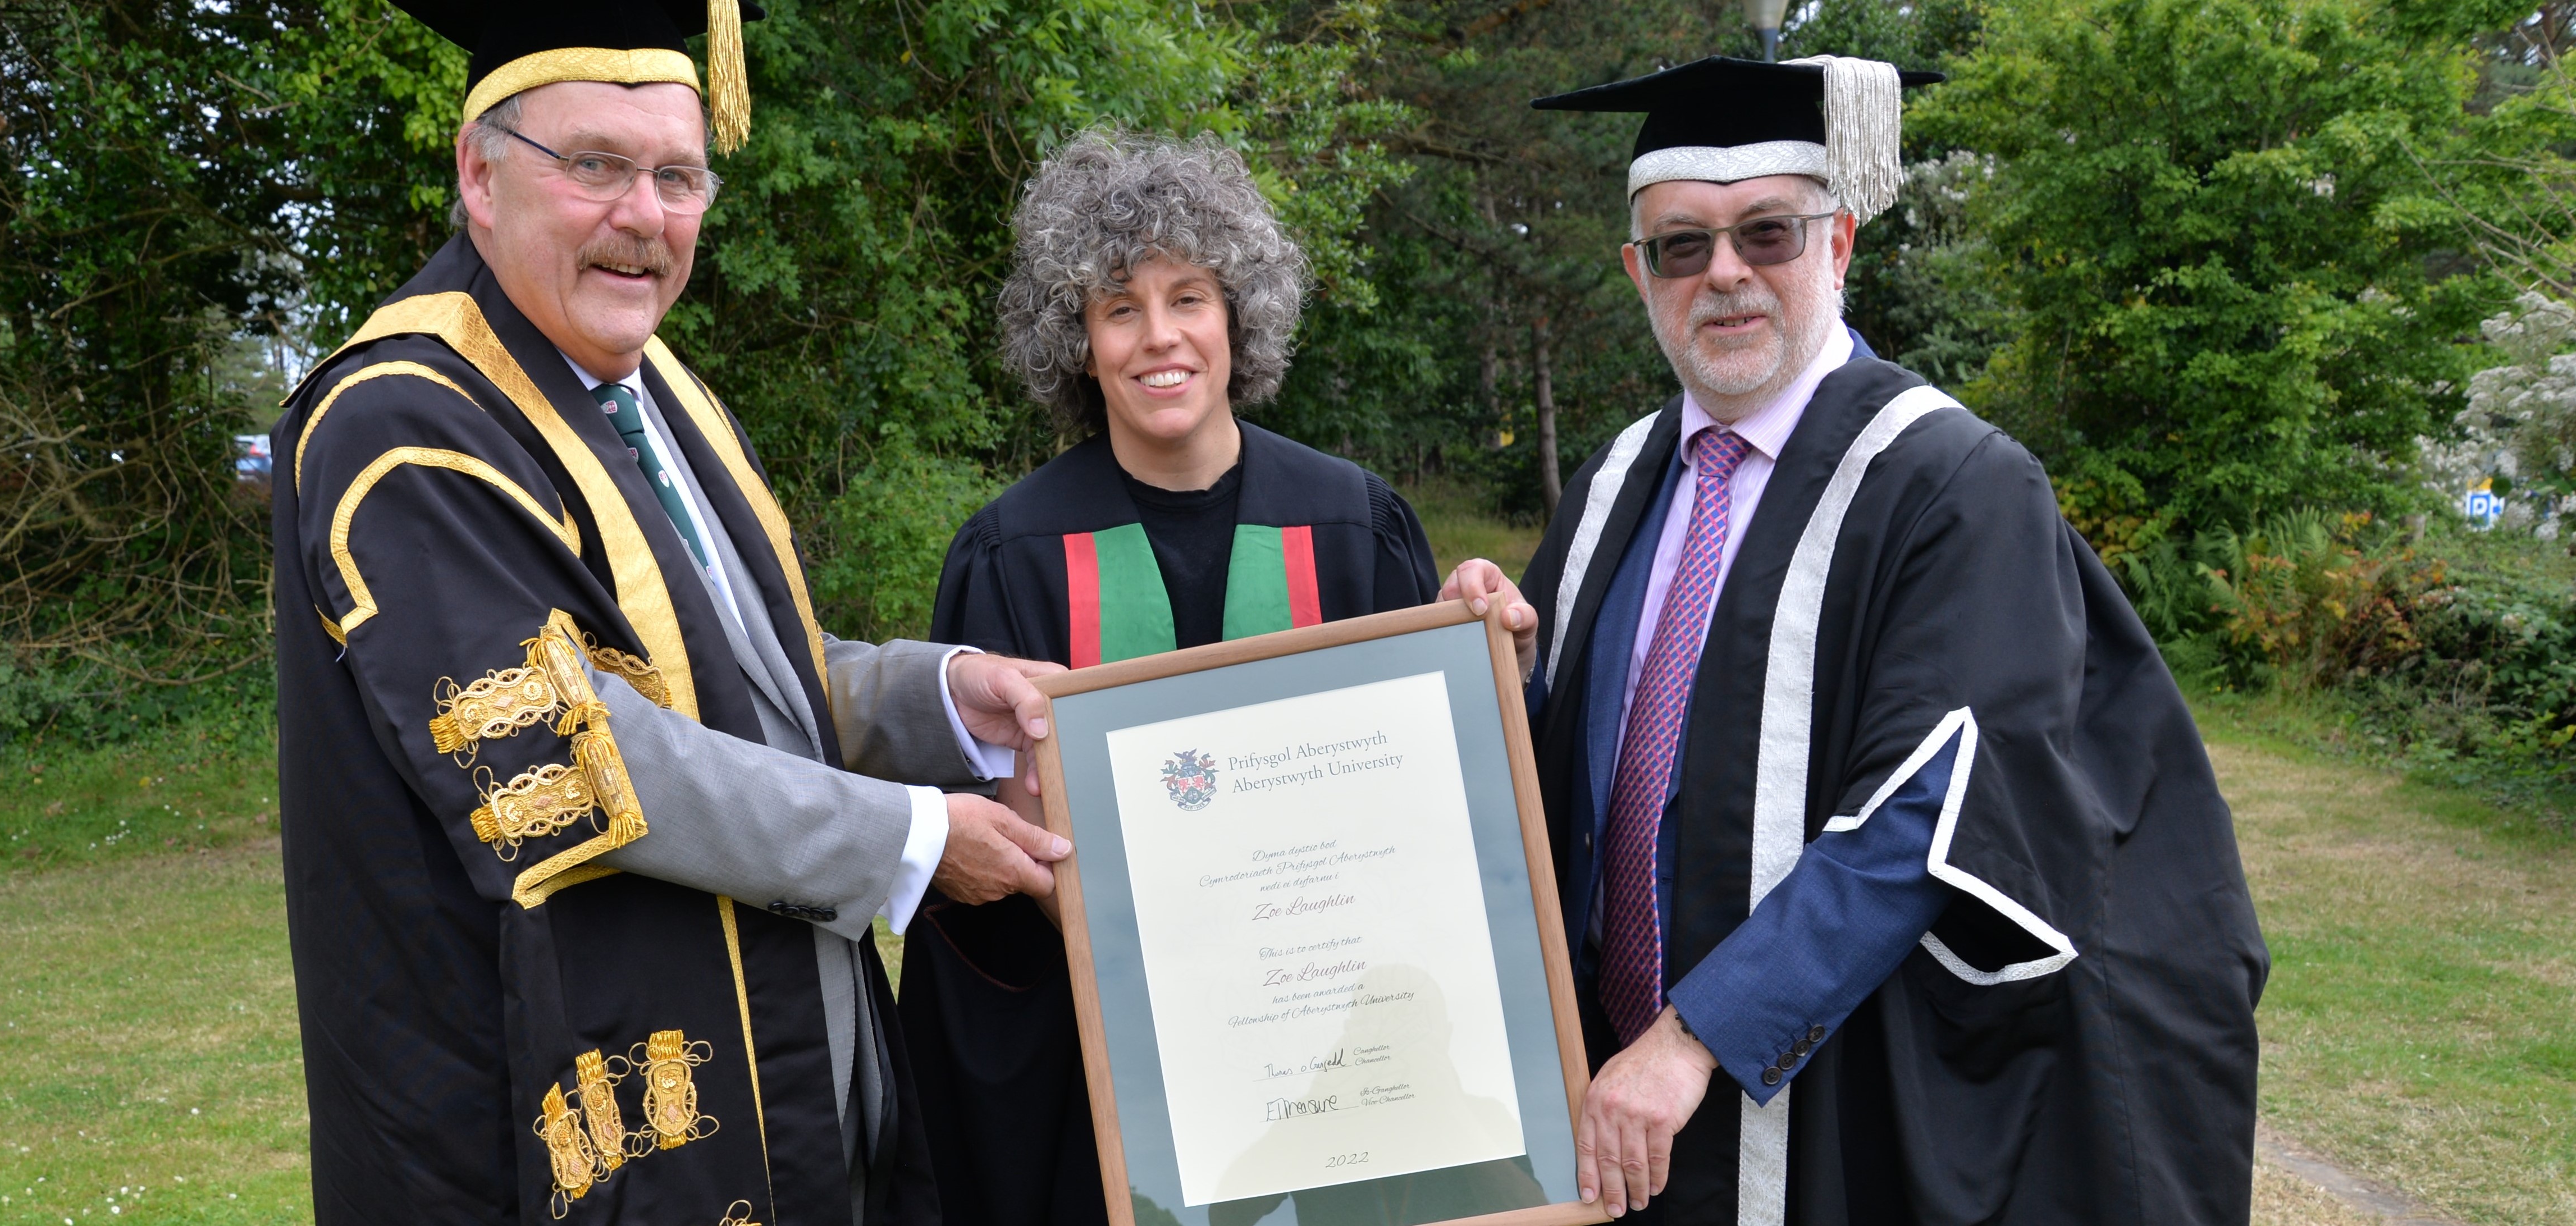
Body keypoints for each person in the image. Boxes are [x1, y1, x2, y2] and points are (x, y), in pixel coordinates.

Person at [271, 3, 1072, 1222]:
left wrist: (941, 698)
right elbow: (566, 753)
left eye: (678, 177)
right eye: (595, 165)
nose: (643, 217)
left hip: (783, 1080)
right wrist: (910, 842)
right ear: (480, 177)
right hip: (544, 1116)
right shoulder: (400, 421)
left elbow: (740, 681)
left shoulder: (656, 396)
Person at [1437, 55, 2269, 1224]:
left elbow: (1930, 813)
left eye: (1766, 233)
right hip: (1611, 1100)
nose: (1723, 274)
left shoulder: (1950, 484)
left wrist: (1693, 1043)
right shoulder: (1614, 482)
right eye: (1683, 245)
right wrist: (1503, 668)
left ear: (1838, 248)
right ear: (1638, 273)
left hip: (1817, 1091)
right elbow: (1577, 777)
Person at [903, 129, 1464, 1226]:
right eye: (1119, 308)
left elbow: (1433, 818)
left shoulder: (1355, 526)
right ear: (1077, 340)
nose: (1158, 338)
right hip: (1103, 1063)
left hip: (1329, 1047)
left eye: (1189, 298)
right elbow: (983, 868)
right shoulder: (1011, 552)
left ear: (1238, 314)